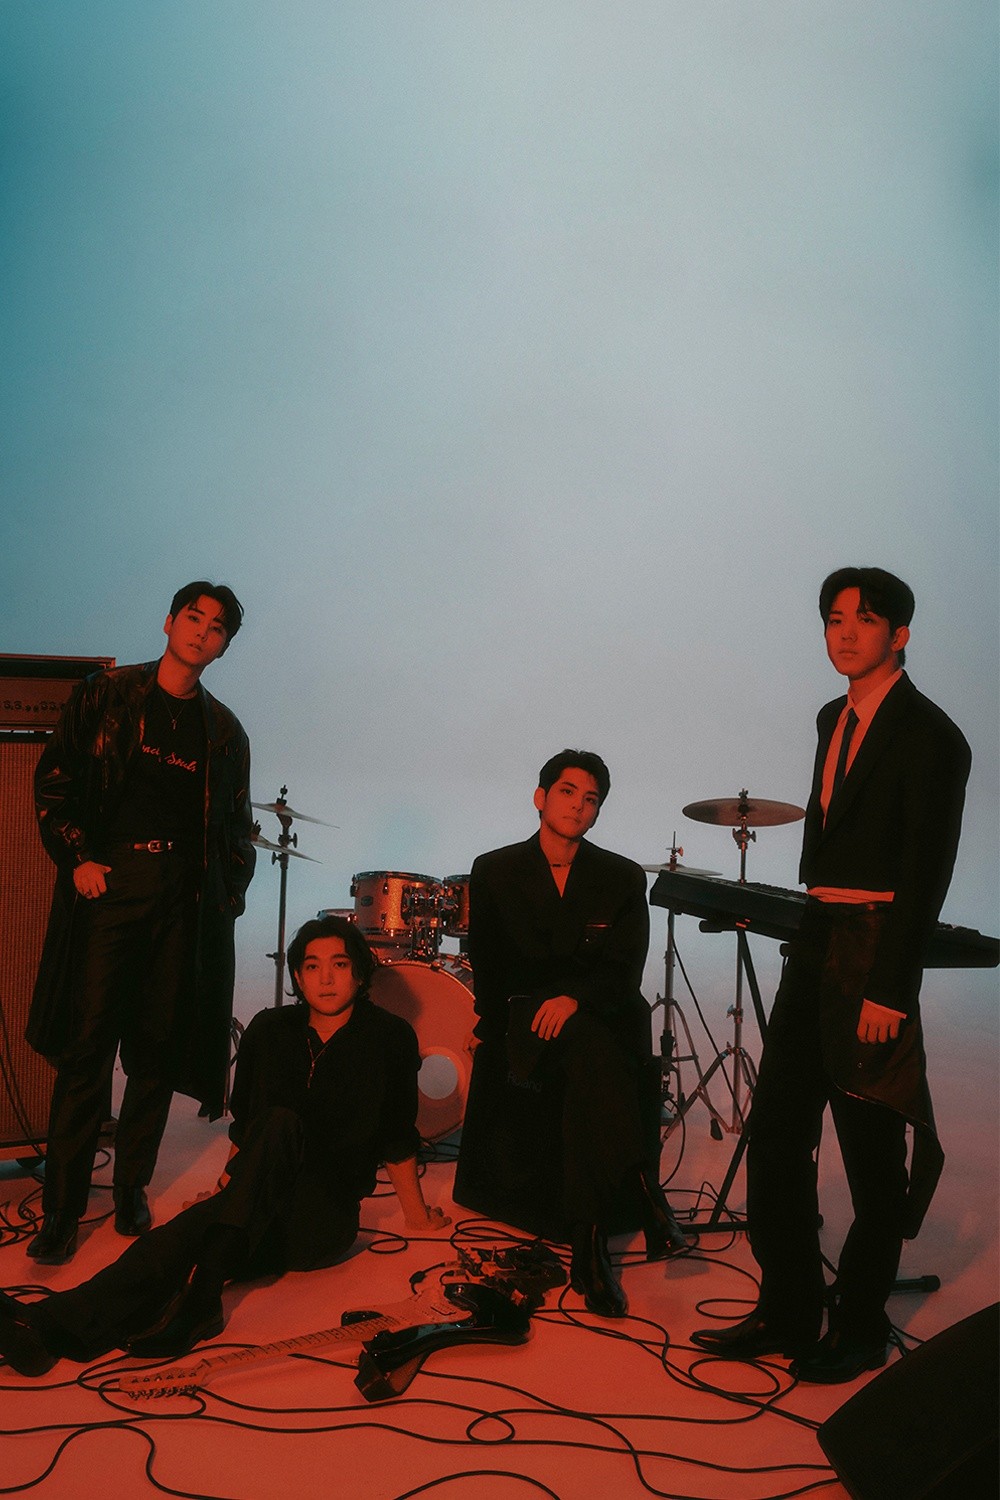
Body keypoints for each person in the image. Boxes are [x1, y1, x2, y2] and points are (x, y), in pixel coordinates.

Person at [692, 568, 971, 1383]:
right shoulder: (831, 716)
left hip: (875, 948)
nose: (845, 633)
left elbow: (926, 871)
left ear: (900, 634)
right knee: (778, 1135)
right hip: (817, 937)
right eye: (833, 619)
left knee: (872, 1153)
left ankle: (859, 1326)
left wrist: (891, 986)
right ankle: (787, 1308)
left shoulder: (934, 735)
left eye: (864, 619)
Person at [0, 915, 449, 1376]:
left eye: (339, 964)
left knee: (277, 1128)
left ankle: (199, 1293)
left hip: (321, 1220)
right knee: (180, 1236)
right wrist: (224, 1191)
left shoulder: (389, 1037)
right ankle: (50, 1325)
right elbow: (246, 1129)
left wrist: (417, 1216)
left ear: (359, 972)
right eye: (313, 967)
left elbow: (397, 1137)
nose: (326, 978)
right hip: (257, 1202)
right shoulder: (269, 1029)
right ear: (297, 977)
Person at [26, 582, 255, 1264]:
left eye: (216, 627)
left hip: (182, 900)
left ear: (223, 646)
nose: (202, 631)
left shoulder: (225, 731)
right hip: (112, 886)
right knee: (86, 1050)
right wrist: (78, 856)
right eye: (193, 617)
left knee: (154, 1053)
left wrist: (225, 899)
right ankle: (62, 1210)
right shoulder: (106, 695)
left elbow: (236, 830)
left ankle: (131, 1188)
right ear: (169, 622)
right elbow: (55, 781)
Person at [456, 750, 687, 1321]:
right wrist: (501, 1025)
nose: (578, 806)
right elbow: (489, 965)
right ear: (540, 798)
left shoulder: (623, 876)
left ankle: (588, 1245)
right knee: (591, 1052)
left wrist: (575, 999)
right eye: (567, 792)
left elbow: (625, 970)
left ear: (598, 812)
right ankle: (640, 1193)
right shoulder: (494, 869)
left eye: (591, 799)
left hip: (598, 1014)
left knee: (590, 1052)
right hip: (527, 1017)